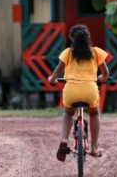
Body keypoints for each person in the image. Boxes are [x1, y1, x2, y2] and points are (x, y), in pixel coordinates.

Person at [47, 24, 110, 160]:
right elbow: (106, 72)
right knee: (94, 113)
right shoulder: (96, 52)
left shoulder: (68, 53)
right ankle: (93, 147)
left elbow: (57, 71)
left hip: (71, 90)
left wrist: (52, 79)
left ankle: (64, 139)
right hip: (90, 90)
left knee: (68, 113)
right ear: (88, 37)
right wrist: (102, 78)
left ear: (71, 38)